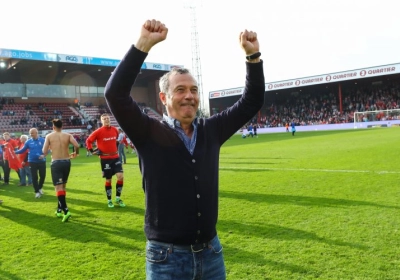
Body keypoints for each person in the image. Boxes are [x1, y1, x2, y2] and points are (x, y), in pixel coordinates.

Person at [104, 19, 264, 279]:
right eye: (180, 90)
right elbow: (115, 94)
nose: (189, 96)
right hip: (166, 258)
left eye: (194, 90)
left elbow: (252, 101)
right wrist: (143, 44)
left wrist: (253, 56)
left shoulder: (212, 130)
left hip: (211, 254)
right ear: (164, 98)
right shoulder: (148, 131)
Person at [42, 119, 80, 222]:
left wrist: (49, 149)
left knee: (58, 188)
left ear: (53, 127)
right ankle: (59, 209)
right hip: (67, 162)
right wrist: (76, 153)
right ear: (62, 126)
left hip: (56, 163)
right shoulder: (68, 135)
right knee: (63, 186)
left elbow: (44, 151)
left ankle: (66, 211)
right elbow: (76, 145)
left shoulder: (49, 136)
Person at [85, 113, 126, 208]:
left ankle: (118, 198)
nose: (106, 120)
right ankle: (109, 200)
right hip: (105, 159)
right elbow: (88, 141)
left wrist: (113, 149)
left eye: (108, 118)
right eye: (104, 119)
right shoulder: (98, 131)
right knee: (109, 179)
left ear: (110, 119)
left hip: (115, 157)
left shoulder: (115, 130)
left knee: (120, 176)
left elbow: (115, 141)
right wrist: (91, 151)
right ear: (101, 121)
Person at [15, 128, 47, 198]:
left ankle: (40, 187)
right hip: (32, 162)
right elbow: (22, 150)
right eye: (30, 133)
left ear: (36, 132)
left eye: (32, 133)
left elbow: (48, 149)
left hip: (42, 161)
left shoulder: (43, 140)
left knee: (42, 176)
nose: (31, 134)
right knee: (34, 177)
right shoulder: (28, 142)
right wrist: (15, 152)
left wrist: (43, 155)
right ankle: (37, 191)